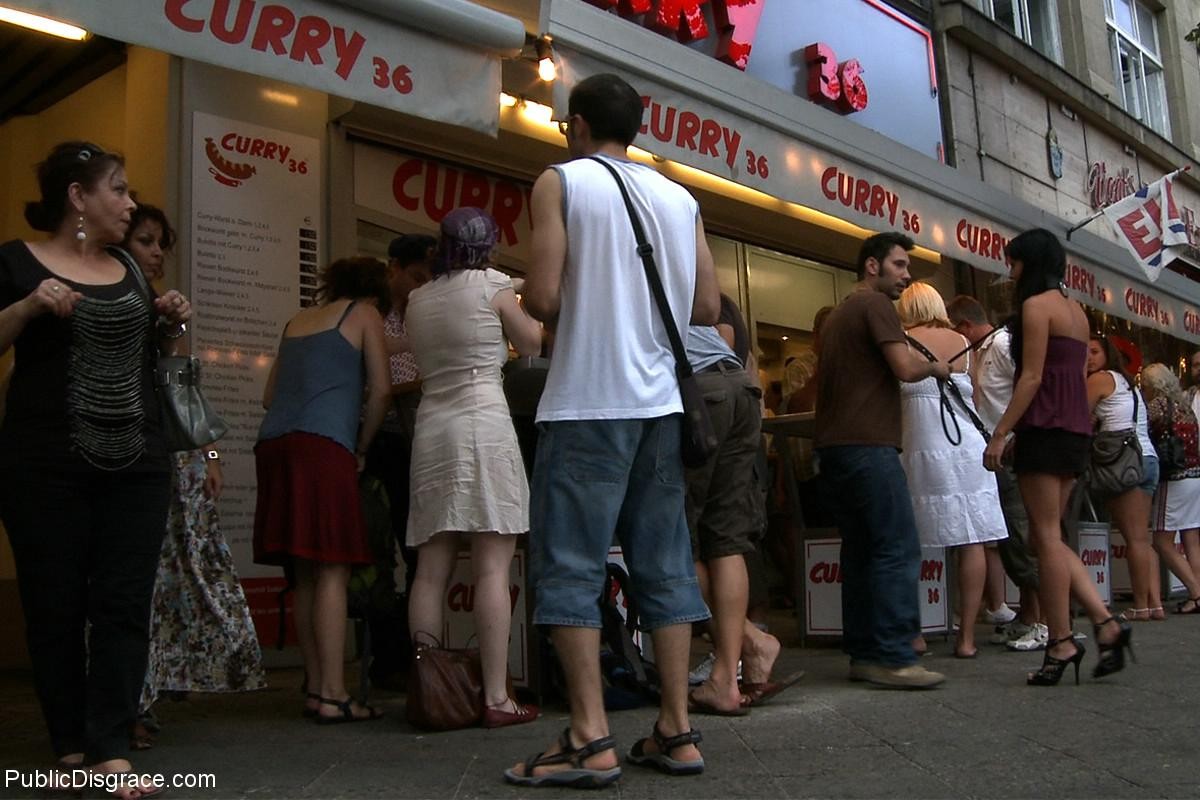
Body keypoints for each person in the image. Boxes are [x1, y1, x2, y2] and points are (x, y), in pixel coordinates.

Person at [505, 73, 719, 787]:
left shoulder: (561, 181)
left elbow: (539, 298)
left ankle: (590, 736)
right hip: (661, 406)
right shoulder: (679, 195)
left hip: (586, 400)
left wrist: (583, 296)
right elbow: (708, 303)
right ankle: (676, 728)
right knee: (663, 559)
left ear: (576, 124)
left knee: (570, 563)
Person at [0, 141, 191, 798]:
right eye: (118, 189)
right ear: (78, 197)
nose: (129, 202)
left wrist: (167, 326)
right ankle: (69, 745)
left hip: (137, 459)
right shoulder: (16, 261)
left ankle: (111, 744)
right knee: (53, 602)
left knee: (122, 601)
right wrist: (26, 308)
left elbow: (150, 362)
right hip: (42, 463)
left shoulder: (129, 268)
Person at [122, 203, 265, 750]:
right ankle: (132, 698)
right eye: (146, 241)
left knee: (181, 574)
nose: (157, 253)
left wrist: (205, 453)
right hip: (130, 454)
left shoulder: (160, 307)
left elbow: (180, 387)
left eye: (161, 243)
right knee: (141, 581)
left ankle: (149, 692)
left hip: (171, 457)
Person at [404, 207, 542, 728]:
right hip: (483, 423)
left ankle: (429, 692)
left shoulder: (418, 298)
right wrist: (534, 303)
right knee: (491, 565)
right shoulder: (493, 283)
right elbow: (530, 342)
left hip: (432, 429)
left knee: (431, 569)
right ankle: (495, 697)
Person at [982, 228, 1132, 686]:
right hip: (1075, 431)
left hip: (1043, 428)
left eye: (1013, 262)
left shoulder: (1035, 307)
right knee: (1052, 538)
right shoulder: (1075, 312)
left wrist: (1000, 433)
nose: (1010, 271)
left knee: (1044, 539)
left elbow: (1030, 379)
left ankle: (1063, 640)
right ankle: (1104, 625)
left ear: (1028, 262)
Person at [253, 256, 390, 723]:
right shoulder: (365, 314)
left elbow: (270, 396)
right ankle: (334, 693)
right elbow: (384, 390)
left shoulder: (296, 321)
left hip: (275, 444)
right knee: (334, 566)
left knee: (305, 571)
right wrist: (362, 445)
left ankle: (315, 686)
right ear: (375, 291)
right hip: (324, 444)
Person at [814, 231, 949, 689]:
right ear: (872, 266)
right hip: (869, 446)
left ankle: (866, 653)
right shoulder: (875, 306)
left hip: (835, 448)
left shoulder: (837, 313)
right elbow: (907, 369)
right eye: (898, 265)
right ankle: (893, 655)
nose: (906, 275)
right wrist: (937, 367)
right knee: (896, 547)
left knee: (861, 553)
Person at [683, 297, 800, 717]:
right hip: (738, 386)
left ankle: (746, 646)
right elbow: (725, 336)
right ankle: (735, 665)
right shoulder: (697, 272)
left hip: (695, 389)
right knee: (726, 540)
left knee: (674, 541)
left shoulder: (626, 256)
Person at [897, 283, 1007, 659]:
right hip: (968, 449)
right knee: (972, 538)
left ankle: (917, 633)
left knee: (916, 540)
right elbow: (974, 394)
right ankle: (967, 639)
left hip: (923, 446)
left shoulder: (901, 341)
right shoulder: (962, 341)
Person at [947, 295, 1046, 651]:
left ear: (964, 327)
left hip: (1010, 448)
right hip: (994, 450)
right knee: (1009, 535)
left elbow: (1029, 387)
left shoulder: (1002, 344)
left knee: (1020, 532)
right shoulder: (984, 350)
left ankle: (1041, 618)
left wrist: (1009, 434)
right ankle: (1028, 614)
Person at [362, 232, 435, 690]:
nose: (421, 285)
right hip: (381, 438)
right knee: (377, 549)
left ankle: (414, 659)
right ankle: (384, 657)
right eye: (415, 276)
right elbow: (378, 382)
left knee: (416, 549)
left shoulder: (424, 312)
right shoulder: (371, 313)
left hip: (417, 440)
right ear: (393, 268)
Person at [1085, 335, 1160, 621]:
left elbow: (1078, 412)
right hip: (1147, 458)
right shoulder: (1129, 383)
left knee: (1135, 539)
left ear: (1108, 355)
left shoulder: (1101, 379)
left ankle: (1140, 605)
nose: (1088, 357)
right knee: (1142, 538)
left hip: (1123, 462)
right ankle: (1154, 603)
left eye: (1093, 351)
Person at [1141, 362, 1200, 612]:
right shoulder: (1184, 406)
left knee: (1162, 540)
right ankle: (1195, 592)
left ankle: (1196, 592)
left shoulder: (1156, 407)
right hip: (1195, 475)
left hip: (1174, 478)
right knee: (1191, 538)